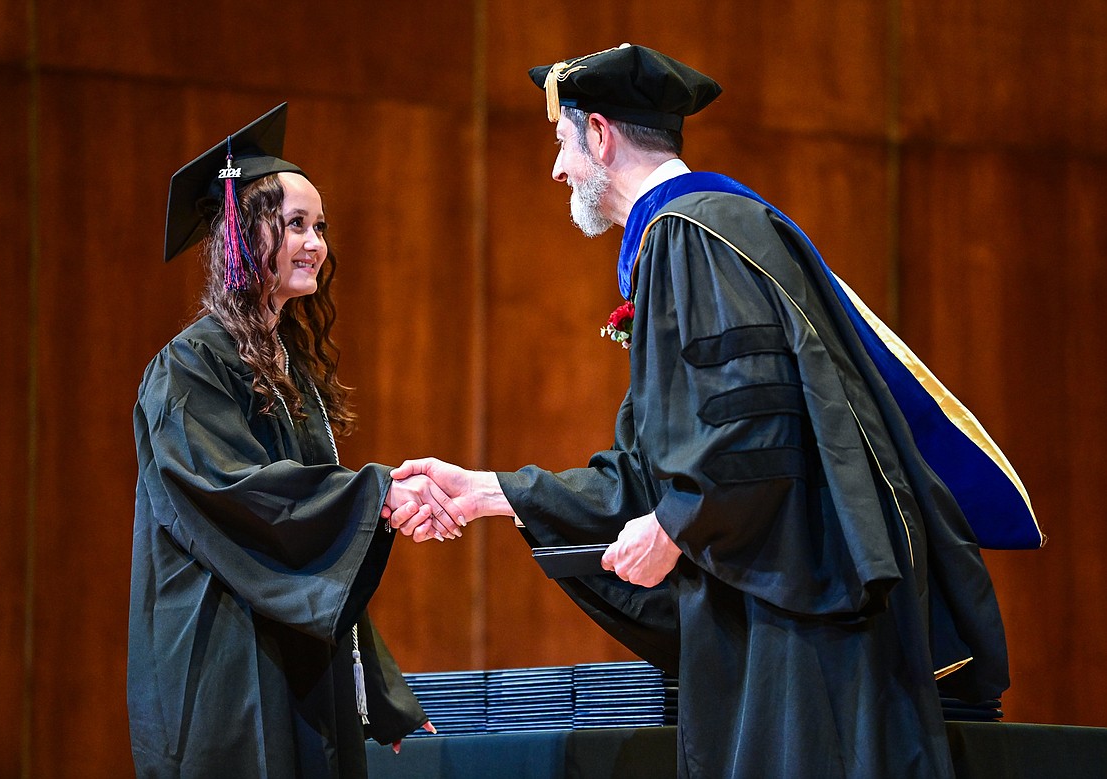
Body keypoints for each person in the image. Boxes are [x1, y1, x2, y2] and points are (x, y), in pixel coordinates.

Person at [385, 44, 1043, 778]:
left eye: (562, 143)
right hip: (786, 611)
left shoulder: (690, 235)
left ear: (599, 134)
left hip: (805, 628)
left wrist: (676, 524)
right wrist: (489, 493)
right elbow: (653, 471)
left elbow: (753, 433)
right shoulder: (711, 231)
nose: (558, 169)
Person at [129, 103, 463, 778]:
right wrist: (381, 491)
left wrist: (385, 694)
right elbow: (244, 499)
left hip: (295, 658)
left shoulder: (290, 367)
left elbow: (318, 547)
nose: (316, 244)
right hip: (223, 654)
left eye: (321, 228)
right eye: (296, 225)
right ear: (242, 237)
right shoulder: (189, 368)